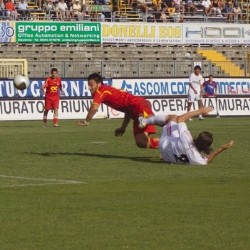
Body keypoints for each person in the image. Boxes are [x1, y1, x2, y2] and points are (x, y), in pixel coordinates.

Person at [78, 73, 159, 149]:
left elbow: (94, 108)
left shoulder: (100, 91)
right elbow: (129, 110)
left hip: (141, 107)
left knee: (163, 122)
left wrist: (86, 121)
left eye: (91, 85)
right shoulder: (106, 90)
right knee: (141, 142)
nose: (89, 87)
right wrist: (123, 128)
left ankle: (170, 142)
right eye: (88, 85)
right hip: (137, 110)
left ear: (99, 84)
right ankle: (168, 145)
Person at [138, 107, 234, 165]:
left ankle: (145, 121)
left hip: (165, 144)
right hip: (168, 157)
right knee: (174, 128)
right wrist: (221, 148)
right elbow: (207, 159)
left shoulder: (187, 138)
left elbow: (180, 119)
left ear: (198, 138)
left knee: (173, 117)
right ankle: (162, 125)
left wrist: (200, 111)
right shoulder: (197, 159)